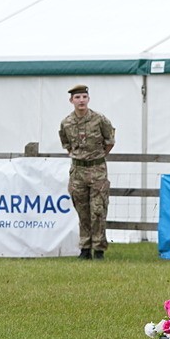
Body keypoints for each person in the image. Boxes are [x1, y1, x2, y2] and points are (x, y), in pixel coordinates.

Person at [58, 84, 116, 260]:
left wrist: (97, 157)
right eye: (77, 97)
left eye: (84, 97)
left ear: (88, 99)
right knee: (82, 210)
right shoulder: (66, 123)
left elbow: (110, 141)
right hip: (78, 171)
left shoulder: (99, 119)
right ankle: (85, 248)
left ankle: (99, 249)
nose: (81, 100)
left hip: (97, 169)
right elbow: (66, 143)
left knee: (98, 210)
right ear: (71, 101)